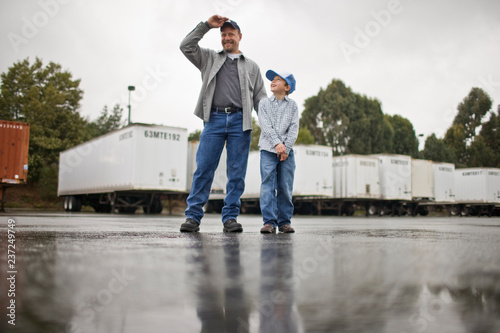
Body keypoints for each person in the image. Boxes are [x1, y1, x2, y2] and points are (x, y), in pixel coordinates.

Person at [179, 15, 267, 233]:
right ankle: (193, 217)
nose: (227, 38)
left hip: (240, 121)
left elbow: (261, 100)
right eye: (223, 34)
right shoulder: (209, 58)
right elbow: (186, 46)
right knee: (204, 169)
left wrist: (271, 131)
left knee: (236, 172)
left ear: (239, 37)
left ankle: (230, 217)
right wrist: (207, 25)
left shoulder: (252, 67)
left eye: (231, 34)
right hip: (214, 119)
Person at [258, 70, 299, 234]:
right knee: (267, 186)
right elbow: (265, 125)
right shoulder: (263, 103)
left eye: (277, 80)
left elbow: (294, 128)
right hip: (268, 150)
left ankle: (284, 223)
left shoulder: (293, 105)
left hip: (287, 153)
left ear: (287, 87)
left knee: (285, 187)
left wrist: (286, 148)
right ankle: (269, 222)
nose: (273, 82)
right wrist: (277, 144)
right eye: (272, 80)